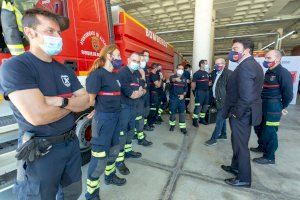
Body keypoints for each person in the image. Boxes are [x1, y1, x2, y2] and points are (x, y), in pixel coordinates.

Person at [0, 8, 90, 199]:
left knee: (72, 192)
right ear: (30, 32)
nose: (58, 37)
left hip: (71, 144)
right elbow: (38, 116)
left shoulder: (64, 69)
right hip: (41, 152)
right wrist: (73, 104)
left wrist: (61, 101)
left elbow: (87, 100)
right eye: (50, 31)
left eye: (58, 32)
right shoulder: (16, 66)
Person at [85, 44, 127, 200]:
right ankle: (91, 193)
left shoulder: (115, 75)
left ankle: (110, 177)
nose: (119, 58)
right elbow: (90, 100)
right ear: (109, 56)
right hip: (103, 122)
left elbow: (113, 97)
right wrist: (97, 109)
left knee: (114, 151)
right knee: (99, 159)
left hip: (116, 118)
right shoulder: (97, 75)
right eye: (117, 55)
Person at [221, 38, 264, 188]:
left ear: (246, 50)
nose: (232, 50)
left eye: (235, 48)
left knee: (241, 145)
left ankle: (244, 178)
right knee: (236, 142)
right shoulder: (248, 64)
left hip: (242, 113)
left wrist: (236, 114)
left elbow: (246, 97)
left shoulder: (247, 66)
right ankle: (235, 167)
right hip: (244, 111)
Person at [251, 50, 293, 164]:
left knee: (269, 131)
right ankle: (262, 147)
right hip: (263, 104)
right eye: (265, 58)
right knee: (258, 127)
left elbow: (288, 94)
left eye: (268, 58)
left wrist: (281, 107)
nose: (266, 60)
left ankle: (269, 157)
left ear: (277, 59)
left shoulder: (283, 73)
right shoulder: (268, 72)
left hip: (273, 106)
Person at [115, 52, 144, 175]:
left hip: (133, 107)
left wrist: (140, 91)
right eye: (134, 60)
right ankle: (119, 161)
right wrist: (139, 92)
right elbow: (132, 94)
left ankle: (128, 151)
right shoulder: (122, 73)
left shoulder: (137, 73)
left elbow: (143, 88)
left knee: (130, 130)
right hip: (124, 108)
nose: (136, 63)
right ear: (128, 60)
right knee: (121, 134)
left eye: (138, 61)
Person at [205, 58, 232, 146]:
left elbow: (232, 90)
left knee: (219, 120)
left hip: (224, 101)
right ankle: (223, 134)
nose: (216, 65)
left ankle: (213, 139)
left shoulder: (229, 74)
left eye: (219, 64)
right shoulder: (216, 73)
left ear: (224, 64)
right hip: (217, 100)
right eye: (216, 64)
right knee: (222, 119)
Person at [134, 53, 153, 146]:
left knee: (140, 118)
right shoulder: (136, 73)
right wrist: (143, 77)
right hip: (136, 100)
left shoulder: (142, 71)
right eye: (140, 61)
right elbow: (141, 86)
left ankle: (138, 134)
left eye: (143, 60)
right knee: (139, 118)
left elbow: (144, 86)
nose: (142, 62)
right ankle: (140, 138)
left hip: (141, 99)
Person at [169, 64, 188, 134]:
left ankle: (182, 127)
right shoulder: (172, 77)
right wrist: (175, 79)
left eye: (182, 69)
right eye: (179, 68)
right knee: (172, 113)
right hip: (173, 98)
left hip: (181, 99)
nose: (181, 70)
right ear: (176, 69)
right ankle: (172, 125)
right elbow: (171, 80)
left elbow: (186, 89)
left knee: (182, 113)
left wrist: (183, 95)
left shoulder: (184, 78)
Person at [191, 59, 210, 127]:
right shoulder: (197, 73)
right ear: (201, 64)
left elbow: (208, 83)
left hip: (206, 92)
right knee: (198, 107)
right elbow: (193, 84)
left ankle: (202, 119)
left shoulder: (207, 73)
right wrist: (194, 92)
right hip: (199, 92)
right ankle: (194, 120)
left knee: (205, 107)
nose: (207, 65)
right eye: (206, 63)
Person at [141, 50, 154, 131]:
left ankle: (145, 125)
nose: (146, 57)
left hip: (147, 92)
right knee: (141, 111)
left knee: (146, 110)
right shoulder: (139, 67)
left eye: (147, 56)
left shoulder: (147, 68)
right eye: (144, 55)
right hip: (141, 93)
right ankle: (140, 128)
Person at [147, 63, 162, 129]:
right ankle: (150, 123)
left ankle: (153, 121)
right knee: (152, 109)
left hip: (155, 93)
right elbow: (158, 85)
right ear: (155, 68)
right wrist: (161, 79)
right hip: (153, 94)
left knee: (155, 108)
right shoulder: (153, 75)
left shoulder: (153, 74)